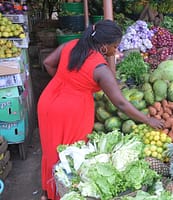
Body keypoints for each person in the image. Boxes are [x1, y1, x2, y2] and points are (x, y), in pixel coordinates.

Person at [38, 19, 164, 200]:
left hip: (48, 101)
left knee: (51, 149)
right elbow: (120, 103)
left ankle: (48, 192)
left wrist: (66, 83)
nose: (116, 51)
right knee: (70, 156)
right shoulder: (100, 68)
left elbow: (49, 63)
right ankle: (61, 195)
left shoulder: (72, 45)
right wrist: (147, 120)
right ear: (104, 47)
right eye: (115, 46)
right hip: (71, 112)